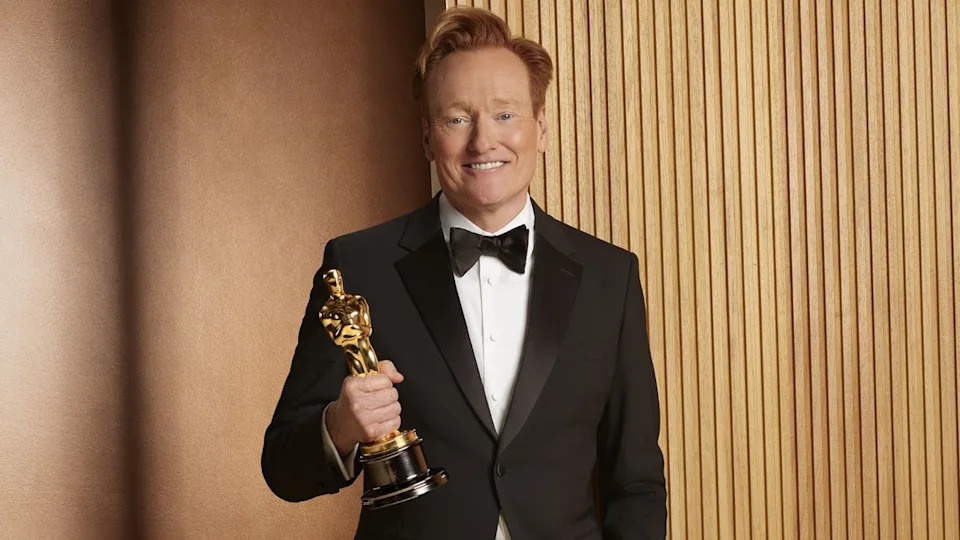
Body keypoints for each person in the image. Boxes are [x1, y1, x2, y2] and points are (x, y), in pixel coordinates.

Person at [262, 7, 666, 540]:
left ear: (540, 129)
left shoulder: (609, 276)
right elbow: (284, 469)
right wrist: (340, 426)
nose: (483, 142)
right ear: (428, 137)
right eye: (457, 118)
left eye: (505, 115)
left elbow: (635, 482)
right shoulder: (357, 266)